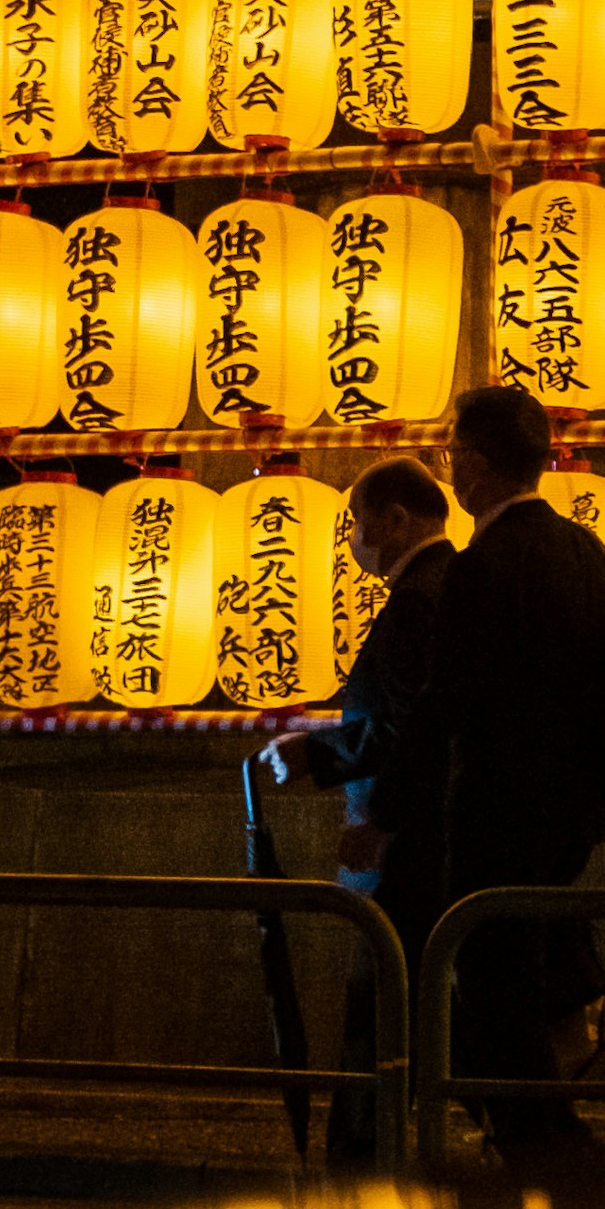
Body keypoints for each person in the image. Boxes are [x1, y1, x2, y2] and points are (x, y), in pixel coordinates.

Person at [433, 384, 605, 1157]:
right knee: (527, 967)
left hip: (498, 808)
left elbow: (444, 705)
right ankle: (543, 1126)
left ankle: (539, 1138)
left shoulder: (485, 564)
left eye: (454, 452)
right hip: (572, 810)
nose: (451, 468)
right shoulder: (582, 550)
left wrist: (370, 794)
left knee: (493, 979)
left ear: (477, 466)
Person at [265, 458, 454, 1168]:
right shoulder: (443, 589)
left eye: (358, 522)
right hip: (414, 832)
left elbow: (412, 727)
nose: (354, 539)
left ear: (397, 519)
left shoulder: (420, 600)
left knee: (379, 1009)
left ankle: (359, 1162)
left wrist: (334, 765)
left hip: (404, 845)